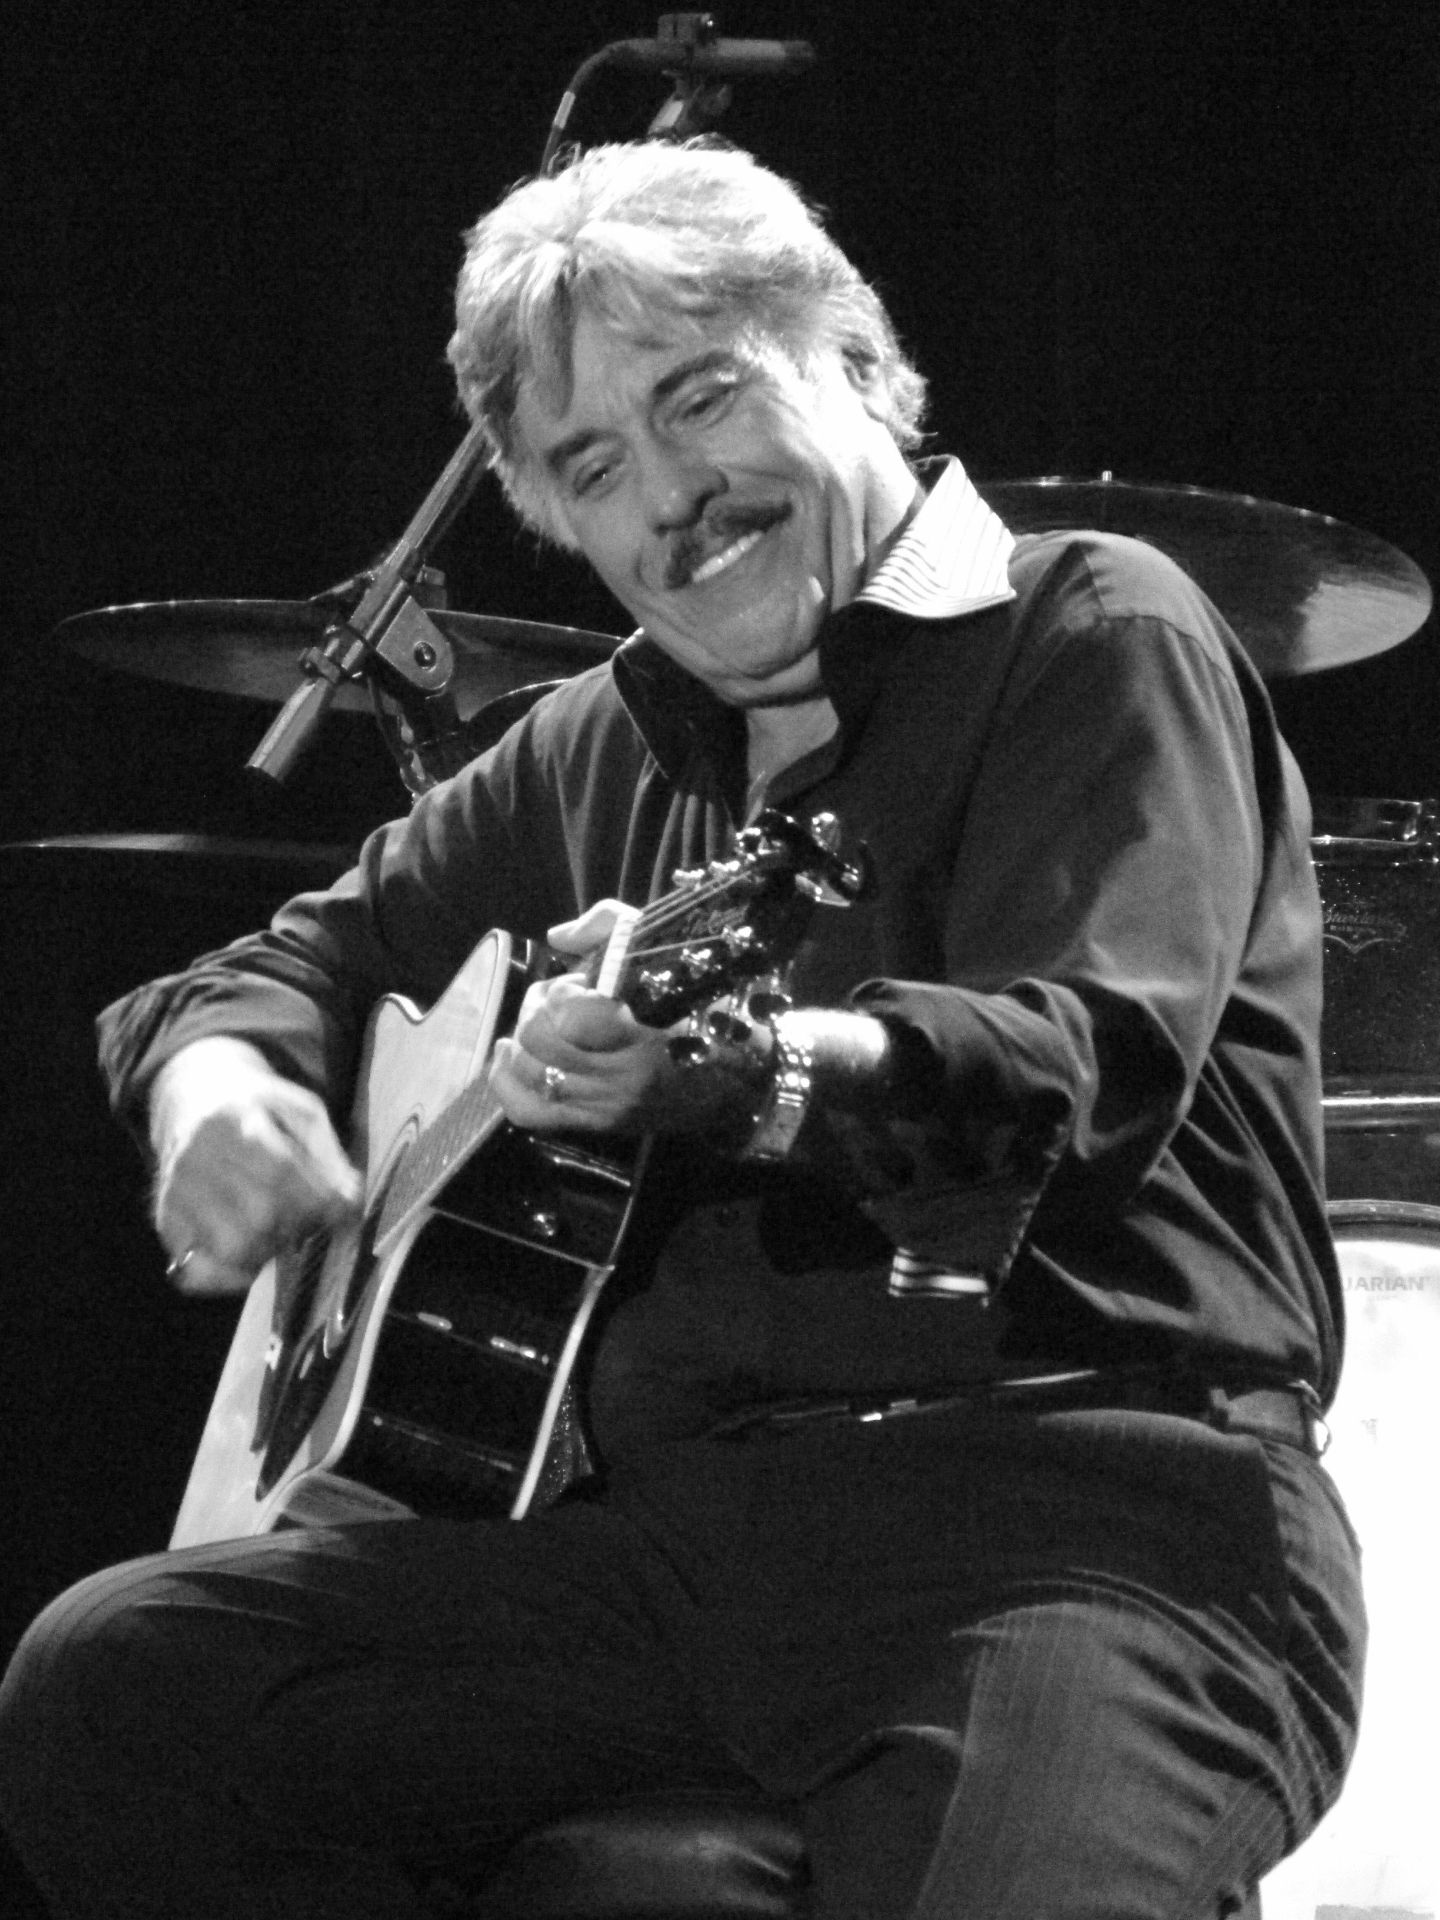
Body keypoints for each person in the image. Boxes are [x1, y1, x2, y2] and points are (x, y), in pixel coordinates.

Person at [0, 139, 1364, 1919]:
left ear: (853, 363)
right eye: (593, 469)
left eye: (701, 398)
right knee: (119, 1694)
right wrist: (215, 1090)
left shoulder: (1093, 623)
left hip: (1095, 1524)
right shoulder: (593, 744)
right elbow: (267, 969)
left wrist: (739, 1076)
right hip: (684, 1557)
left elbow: (1077, 1066)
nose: (671, 498)